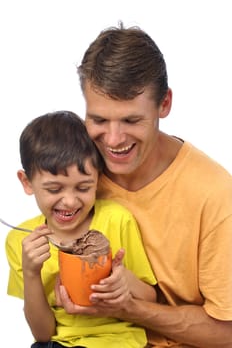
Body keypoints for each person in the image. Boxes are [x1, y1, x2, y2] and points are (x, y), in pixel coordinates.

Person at [56, 24, 232, 347]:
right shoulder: (79, 177)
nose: (113, 140)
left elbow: (227, 332)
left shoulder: (216, 194)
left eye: (130, 120)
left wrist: (129, 307)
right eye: (98, 120)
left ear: (164, 104)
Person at [5, 110, 157, 348]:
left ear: (98, 178)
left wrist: (122, 281)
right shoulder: (20, 241)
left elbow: (151, 296)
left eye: (83, 188)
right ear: (27, 182)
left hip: (118, 342)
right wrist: (31, 273)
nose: (70, 201)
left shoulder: (116, 220)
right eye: (54, 189)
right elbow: (43, 333)